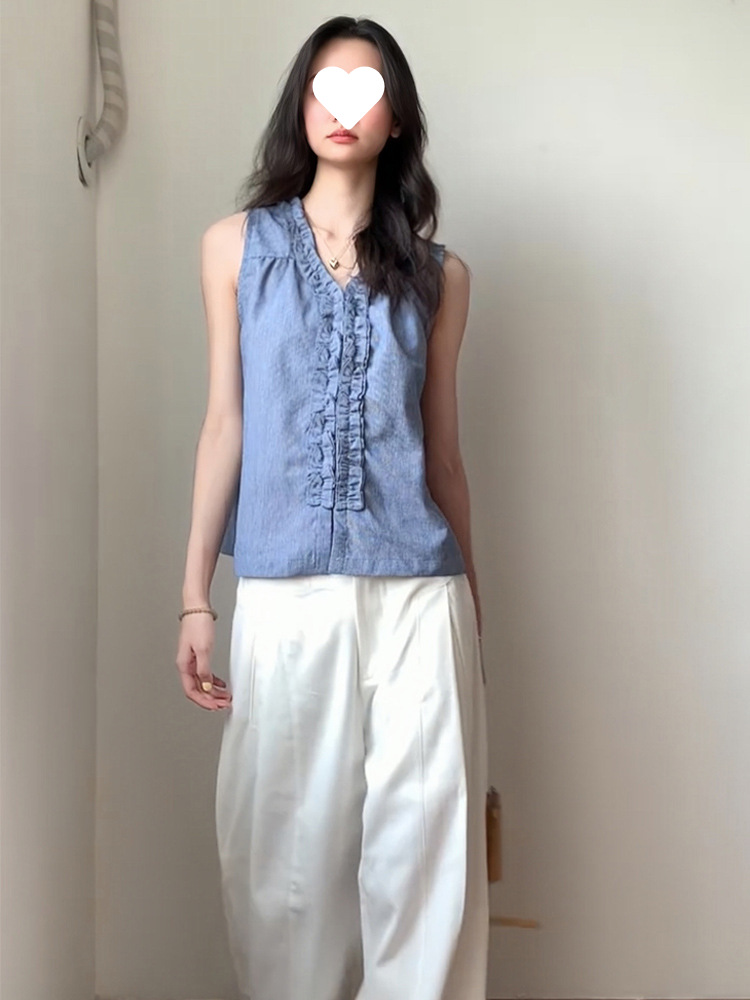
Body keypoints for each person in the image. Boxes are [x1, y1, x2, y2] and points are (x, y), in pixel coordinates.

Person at [175, 15, 489, 1000]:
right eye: (324, 87)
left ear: (396, 119)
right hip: (285, 593)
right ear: (300, 108)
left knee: (425, 858)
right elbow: (224, 423)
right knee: (284, 865)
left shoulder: (440, 277)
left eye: (365, 89)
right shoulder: (235, 248)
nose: (342, 108)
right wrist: (195, 596)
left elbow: (444, 455)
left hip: (419, 596)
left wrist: (474, 606)